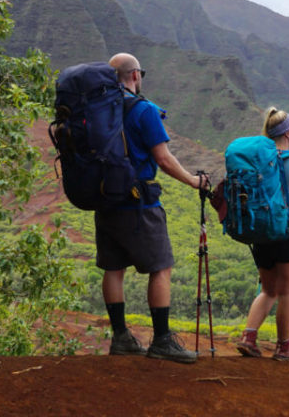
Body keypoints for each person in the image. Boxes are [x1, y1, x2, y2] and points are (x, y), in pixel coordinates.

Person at [100, 52, 207, 364]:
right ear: (135, 75)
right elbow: (163, 158)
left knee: (113, 268)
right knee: (161, 267)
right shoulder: (143, 110)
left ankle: (121, 338)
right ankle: (161, 340)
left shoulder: (100, 109)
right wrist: (193, 181)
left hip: (105, 198)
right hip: (139, 203)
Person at [236, 107, 289, 360]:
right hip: (287, 234)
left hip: (261, 232)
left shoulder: (258, 162)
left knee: (268, 290)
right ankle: (283, 348)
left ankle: (248, 338)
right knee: (287, 292)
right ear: (288, 133)